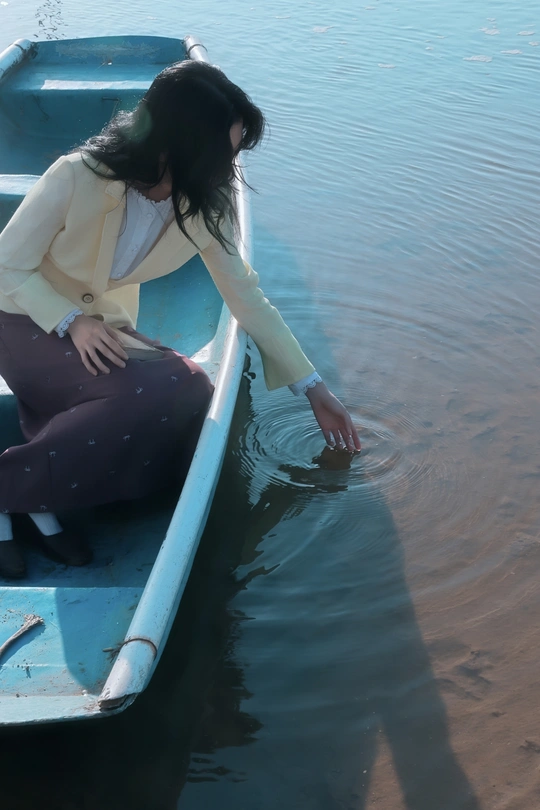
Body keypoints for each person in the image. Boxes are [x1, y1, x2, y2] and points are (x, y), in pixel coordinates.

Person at [0, 60, 360, 579]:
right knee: (144, 394)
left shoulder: (206, 201)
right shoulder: (77, 175)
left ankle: (37, 493)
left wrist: (314, 389)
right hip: (25, 320)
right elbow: (8, 263)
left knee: (191, 389)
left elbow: (245, 295)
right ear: (175, 144)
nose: (230, 166)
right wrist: (71, 320)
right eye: (223, 151)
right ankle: (14, 492)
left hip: (105, 329)